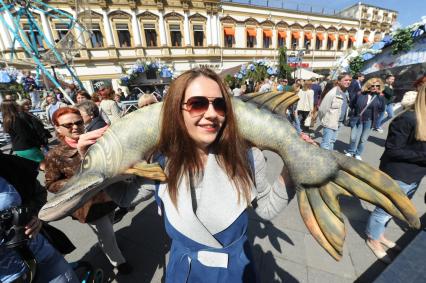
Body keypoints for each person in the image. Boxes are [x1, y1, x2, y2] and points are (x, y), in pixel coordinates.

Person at [86, 68, 290, 282]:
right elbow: (125, 197)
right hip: (185, 272)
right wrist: (96, 167)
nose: (212, 114)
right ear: (177, 110)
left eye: (220, 105)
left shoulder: (246, 156)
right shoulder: (162, 162)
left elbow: (266, 208)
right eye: (198, 104)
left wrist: (293, 167)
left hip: (236, 273)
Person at [44, 107, 132, 275]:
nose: (75, 127)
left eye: (78, 122)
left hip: (110, 196)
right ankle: (119, 263)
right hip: (88, 205)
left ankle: (110, 246)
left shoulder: (96, 142)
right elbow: (50, 184)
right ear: (57, 128)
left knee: (109, 227)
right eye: (68, 125)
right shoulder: (54, 155)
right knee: (107, 236)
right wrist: (78, 181)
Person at [365, 79, 426, 264]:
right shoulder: (407, 118)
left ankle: (380, 234)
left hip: (414, 175)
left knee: (396, 209)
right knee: (385, 209)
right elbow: (392, 149)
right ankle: (372, 239)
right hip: (398, 174)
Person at [0, 176, 79, 283]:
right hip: (12, 277)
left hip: (42, 253)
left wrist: (35, 216)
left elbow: (37, 194)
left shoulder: (5, 169)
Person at [345, 78, 385, 160]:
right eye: (373, 85)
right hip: (357, 119)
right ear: (368, 85)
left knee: (363, 139)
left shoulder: (380, 97)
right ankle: (351, 151)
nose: (375, 87)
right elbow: (352, 104)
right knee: (353, 137)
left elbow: (382, 109)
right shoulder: (360, 94)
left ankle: (358, 153)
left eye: (377, 86)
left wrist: (379, 97)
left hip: (369, 120)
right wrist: (353, 113)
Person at [1, 100, 45, 164]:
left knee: (32, 167)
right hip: (27, 147)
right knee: (45, 165)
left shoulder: (7, 119)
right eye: (16, 105)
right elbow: (25, 135)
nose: (18, 106)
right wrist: (38, 143)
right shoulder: (15, 119)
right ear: (12, 108)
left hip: (19, 148)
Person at [318, 73, 351, 150]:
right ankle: (324, 160)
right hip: (330, 122)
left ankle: (330, 158)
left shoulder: (345, 93)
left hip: (339, 122)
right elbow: (322, 109)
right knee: (326, 144)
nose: (348, 82)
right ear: (339, 81)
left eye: (350, 80)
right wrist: (325, 120)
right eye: (346, 80)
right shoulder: (332, 93)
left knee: (332, 141)